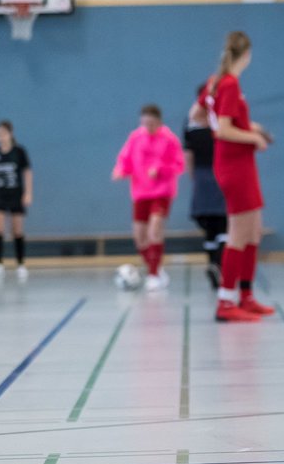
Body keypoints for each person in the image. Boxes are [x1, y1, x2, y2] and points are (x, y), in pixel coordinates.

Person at [197, 30, 274, 322]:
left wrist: (252, 128)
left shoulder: (216, 83)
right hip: (234, 165)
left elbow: (199, 113)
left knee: (253, 230)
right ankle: (225, 301)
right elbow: (223, 129)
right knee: (239, 233)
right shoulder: (228, 84)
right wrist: (252, 138)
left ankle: (246, 295)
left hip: (239, 163)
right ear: (247, 54)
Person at [112, 105, 186, 291]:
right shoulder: (136, 137)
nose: (148, 127)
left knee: (155, 230)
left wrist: (161, 170)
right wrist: (121, 171)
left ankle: (153, 276)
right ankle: (156, 268)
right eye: (145, 123)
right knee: (140, 237)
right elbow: (125, 159)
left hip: (161, 192)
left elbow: (179, 165)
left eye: (152, 123)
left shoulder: (169, 139)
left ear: (159, 122)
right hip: (140, 192)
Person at [185, 85, 228, 290]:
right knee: (224, 226)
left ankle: (212, 262)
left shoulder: (191, 123)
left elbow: (188, 157)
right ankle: (218, 264)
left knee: (210, 229)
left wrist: (194, 178)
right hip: (219, 173)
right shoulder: (218, 120)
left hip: (202, 177)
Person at [0, 121, 32, 281]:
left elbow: (27, 172)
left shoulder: (19, 152)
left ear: (10, 133)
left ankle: (20, 264)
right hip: (0, 194)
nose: (0, 137)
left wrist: (28, 193)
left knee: (17, 230)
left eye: (3, 133)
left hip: (16, 194)